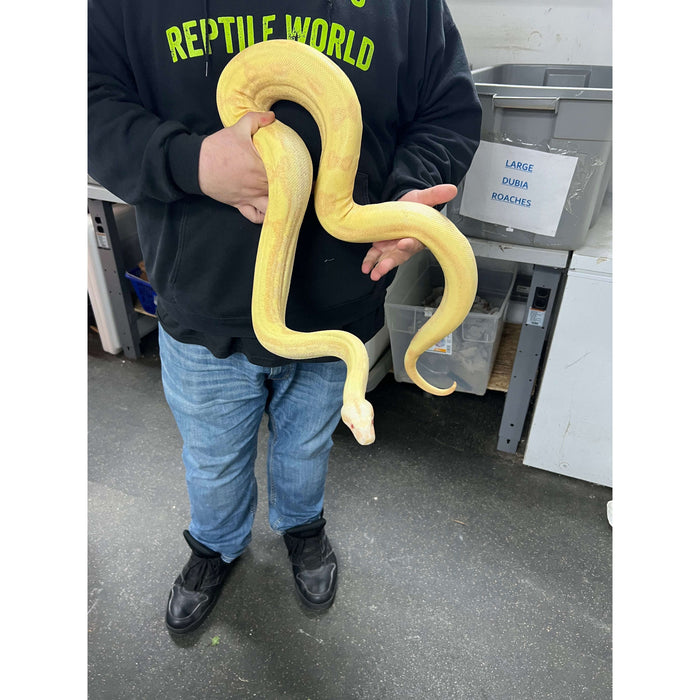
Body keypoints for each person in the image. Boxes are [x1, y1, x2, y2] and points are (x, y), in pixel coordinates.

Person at [88, 0, 482, 634]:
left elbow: (446, 111)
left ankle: (302, 528)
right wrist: (192, 163)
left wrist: (409, 197)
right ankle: (215, 545)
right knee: (212, 460)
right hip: (203, 306)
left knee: (307, 448)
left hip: (337, 313)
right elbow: (84, 101)